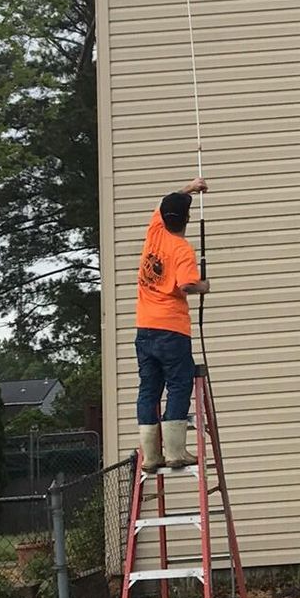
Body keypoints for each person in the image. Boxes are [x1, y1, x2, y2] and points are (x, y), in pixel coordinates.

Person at [135, 177, 210, 474]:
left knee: (149, 389)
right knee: (179, 384)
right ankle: (176, 451)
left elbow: (167, 202)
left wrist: (190, 187)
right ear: (187, 219)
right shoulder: (182, 249)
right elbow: (185, 285)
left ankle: (152, 457)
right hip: (172, 329)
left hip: (144, 328)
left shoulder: (154, 232)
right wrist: (204, 286)